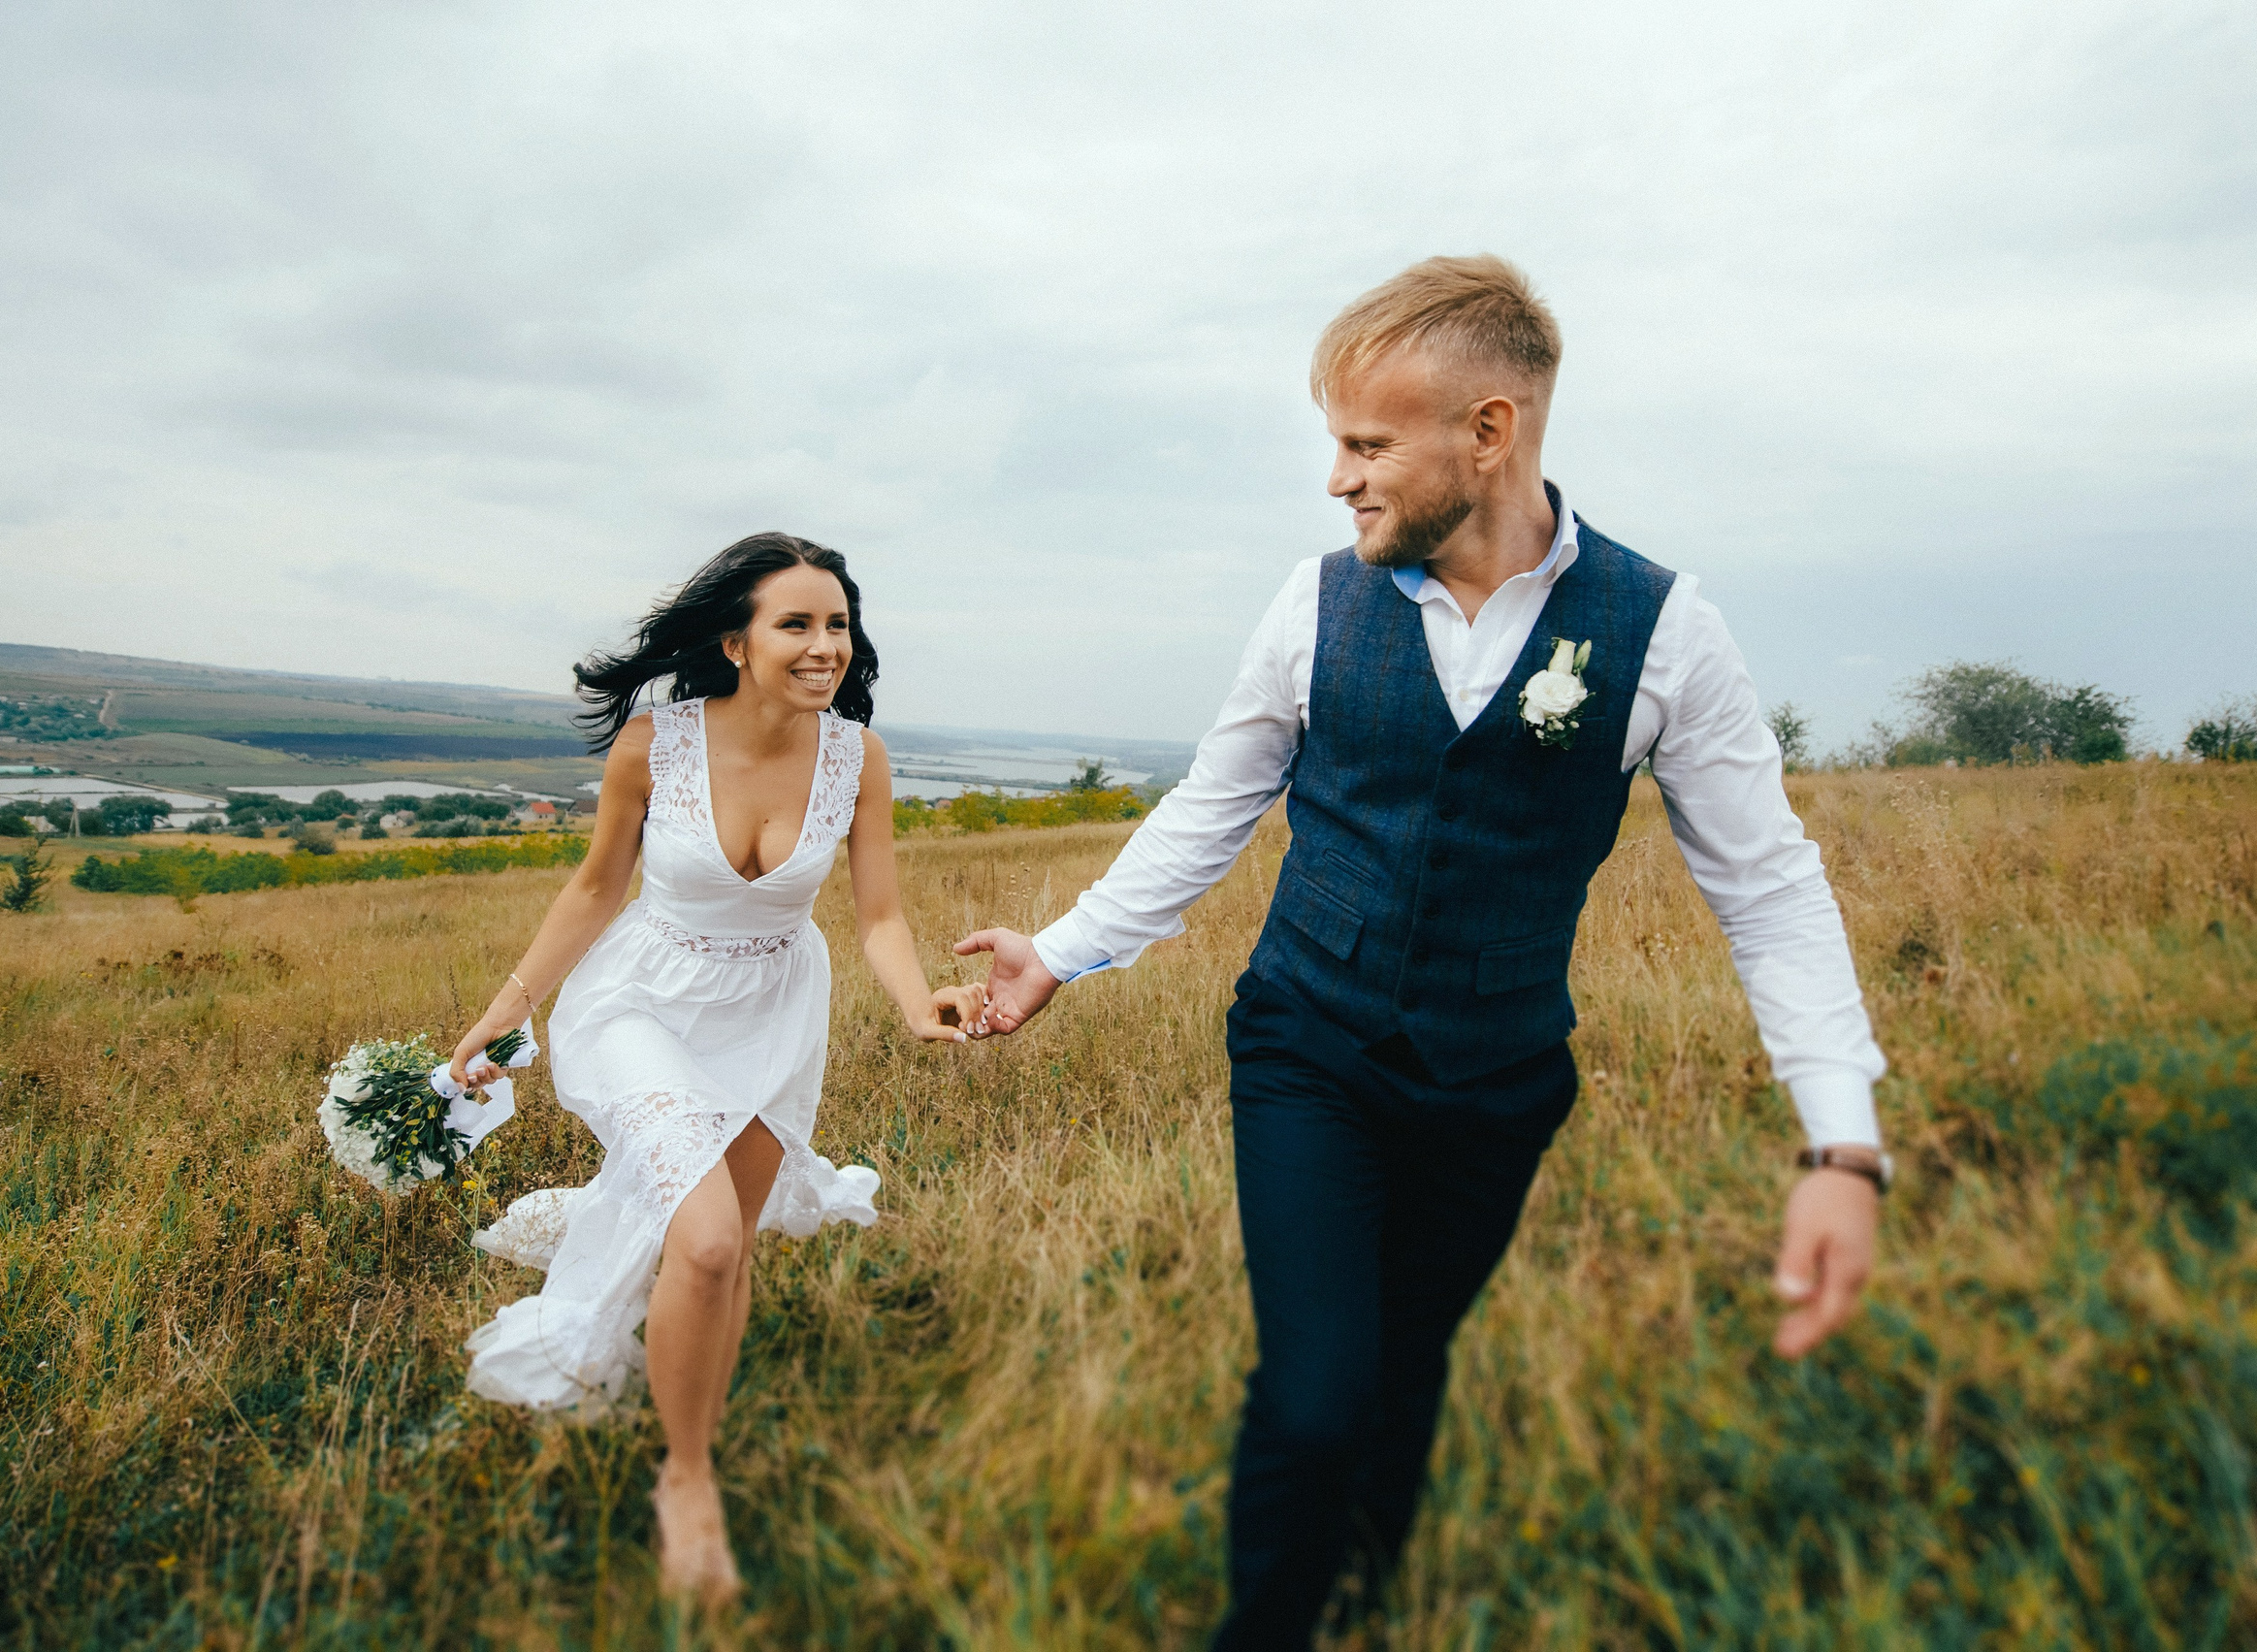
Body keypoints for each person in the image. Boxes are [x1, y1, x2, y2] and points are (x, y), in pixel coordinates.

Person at [955, 256, 1888, 1646]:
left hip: (1498, 1077)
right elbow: (1213, 804)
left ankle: (1364, 1588)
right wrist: (1065, 950)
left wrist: (1843, 1143)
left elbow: (1768, 886)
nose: (1339, 478)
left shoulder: (1665, 632)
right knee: (1316, 1388)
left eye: (1367, 442)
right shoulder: (1313, 603)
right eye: (1338, 442)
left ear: (1491, 432)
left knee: (1406, 1362)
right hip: (1308, 1045)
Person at [444, 532, 983, 1603]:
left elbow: (878, 913)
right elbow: (596, 889)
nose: (825, 644)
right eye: (797, 622)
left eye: (837, 623)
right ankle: (685, 1480)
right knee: (699, 1239)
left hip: (774, 1012)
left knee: (726, 1249)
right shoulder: (656, 745)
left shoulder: (857, 757)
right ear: (735, 641)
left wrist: (920, 1001)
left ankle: (695, 1429)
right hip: (644, 999)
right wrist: (506, 1012)